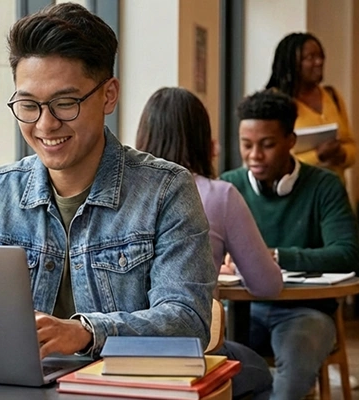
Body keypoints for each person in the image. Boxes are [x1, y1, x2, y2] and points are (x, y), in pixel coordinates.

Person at [0, 3, 216, 359]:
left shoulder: (166, 191)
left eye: (65, 103)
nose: (45, 125)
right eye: (29, 105)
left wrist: (86, 333)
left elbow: (187, 323)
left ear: (108, 95)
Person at [135, 87, 279, 400]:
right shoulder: (220, 195)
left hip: (120, 347)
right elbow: (267, 285)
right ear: (206, 141)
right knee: (261, 374)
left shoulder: (124, 195)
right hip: (187, 351)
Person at [220, 90, 359, 400]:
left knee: (291, 383)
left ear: (291, 140)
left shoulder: (324, 186)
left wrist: (275, 257)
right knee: (211, 368)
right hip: (242, 310)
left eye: (267, 145)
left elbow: (347, 255)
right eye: (246, 145)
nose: (255, 155)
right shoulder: (229, 186)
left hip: (306, 312)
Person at [266, 33, 356, 185]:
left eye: (321, 56)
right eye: (310, 57)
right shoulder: (274, 101)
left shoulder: (332, 95)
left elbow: (351, 146)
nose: (319, 62)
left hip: (334, 193)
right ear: (291, 63)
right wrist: (318, 156)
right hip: (296, 195)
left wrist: (341, 154)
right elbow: (270, 158)